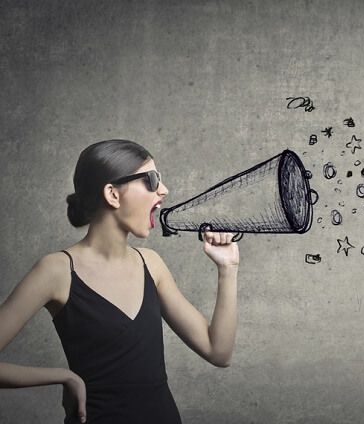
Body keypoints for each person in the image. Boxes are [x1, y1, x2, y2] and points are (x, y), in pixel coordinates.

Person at [0, 139, 240, 423]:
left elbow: (219, 352)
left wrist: (228, 268)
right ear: (113, 194)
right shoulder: (56, 271)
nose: (164, 190)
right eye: (151, 181)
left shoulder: (152, 264)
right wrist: (64, 377)